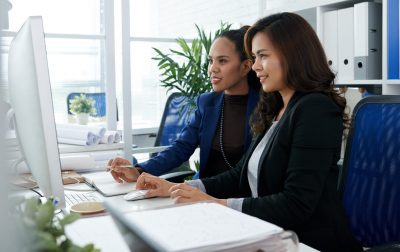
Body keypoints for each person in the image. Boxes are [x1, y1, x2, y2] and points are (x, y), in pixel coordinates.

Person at [134, 13, 363, 252]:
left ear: (293, 55)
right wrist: (179, 188)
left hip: (306, 242)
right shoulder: (274, 106)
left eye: (263, 56)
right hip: (264, 232)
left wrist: (216, 203)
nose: (255, 66)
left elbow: (296, 204)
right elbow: (239, 175)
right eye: (254, 57)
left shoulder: (315, 109)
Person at [108, 26, 260, 182]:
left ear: (246, 66)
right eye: (210, 61)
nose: (212, 69)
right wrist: (139, 170)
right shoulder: (206, 103)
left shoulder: (265, 107)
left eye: (222, 61)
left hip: (239, 199)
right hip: (202, 194)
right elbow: (181, 148)